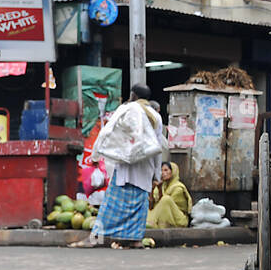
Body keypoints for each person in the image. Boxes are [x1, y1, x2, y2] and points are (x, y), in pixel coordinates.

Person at [70, 83, 165, 249]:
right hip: (145, 171)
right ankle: (134, 240)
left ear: (133, 95)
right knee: (138, 208)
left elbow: (107, 133)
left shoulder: (127, 109)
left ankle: (95, 239)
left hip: (125, 169)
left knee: (110, 206)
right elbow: (158, 147)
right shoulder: (156, 117)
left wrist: (96, 155)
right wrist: (156, 176)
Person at [147, 161, 192, 229]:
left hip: (178, 218)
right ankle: (148, 222)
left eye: (166, 170)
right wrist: (152, 189)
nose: (163, 173)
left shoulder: (178, 188)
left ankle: (152, 223)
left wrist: (159, 190)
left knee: (166, 199)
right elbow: (151, 206)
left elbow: (164, 204)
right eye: (161, 170)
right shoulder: (161, 185)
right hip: (160, 215)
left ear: (173, 171)